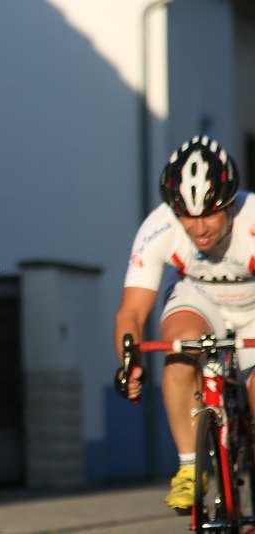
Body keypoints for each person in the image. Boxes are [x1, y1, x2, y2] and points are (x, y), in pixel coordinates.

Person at [114, 135, 255, 513]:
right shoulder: (158, 227)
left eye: (210, 213)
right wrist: (129, 364)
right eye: (188, 216)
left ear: (231, 204)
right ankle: (190, 468)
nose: (199, 227)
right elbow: (131, 312)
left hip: (253, 308)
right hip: (199, 300)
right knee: (179, 352)